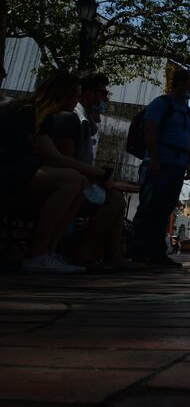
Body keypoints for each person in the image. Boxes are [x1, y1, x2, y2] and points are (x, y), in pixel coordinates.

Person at [0, 70, 114, 273]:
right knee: (70, 180)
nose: (78, 101)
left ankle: (48, 251)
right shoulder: (28, 112)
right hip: (9, 172)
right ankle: (38, 253)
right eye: (76, 96)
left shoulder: (45, 117)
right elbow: (55, 158)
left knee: (77, 181)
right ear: (63, 95)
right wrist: (99, 173)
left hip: (20, 173)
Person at [41, 72, 127, 271]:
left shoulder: (85, 123)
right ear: (87, 95)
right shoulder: (74, 120)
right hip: (72, 182)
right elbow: (67, 160)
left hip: (81, 180)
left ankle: (112, 256)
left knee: (116, 197)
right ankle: (82, 252)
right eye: (103, 93)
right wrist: (100, 177)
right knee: (114, 200)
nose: (106, 99)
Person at [130, 68, 190, 268]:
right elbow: (151, 130)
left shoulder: (187, 111)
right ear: (181, 83)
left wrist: (189, 163)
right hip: (159, 163)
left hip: (178, 165)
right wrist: (155, 159)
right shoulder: (161, 104)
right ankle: (139, 252)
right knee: (149, 207)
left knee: (165, 210)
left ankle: (158, 253)